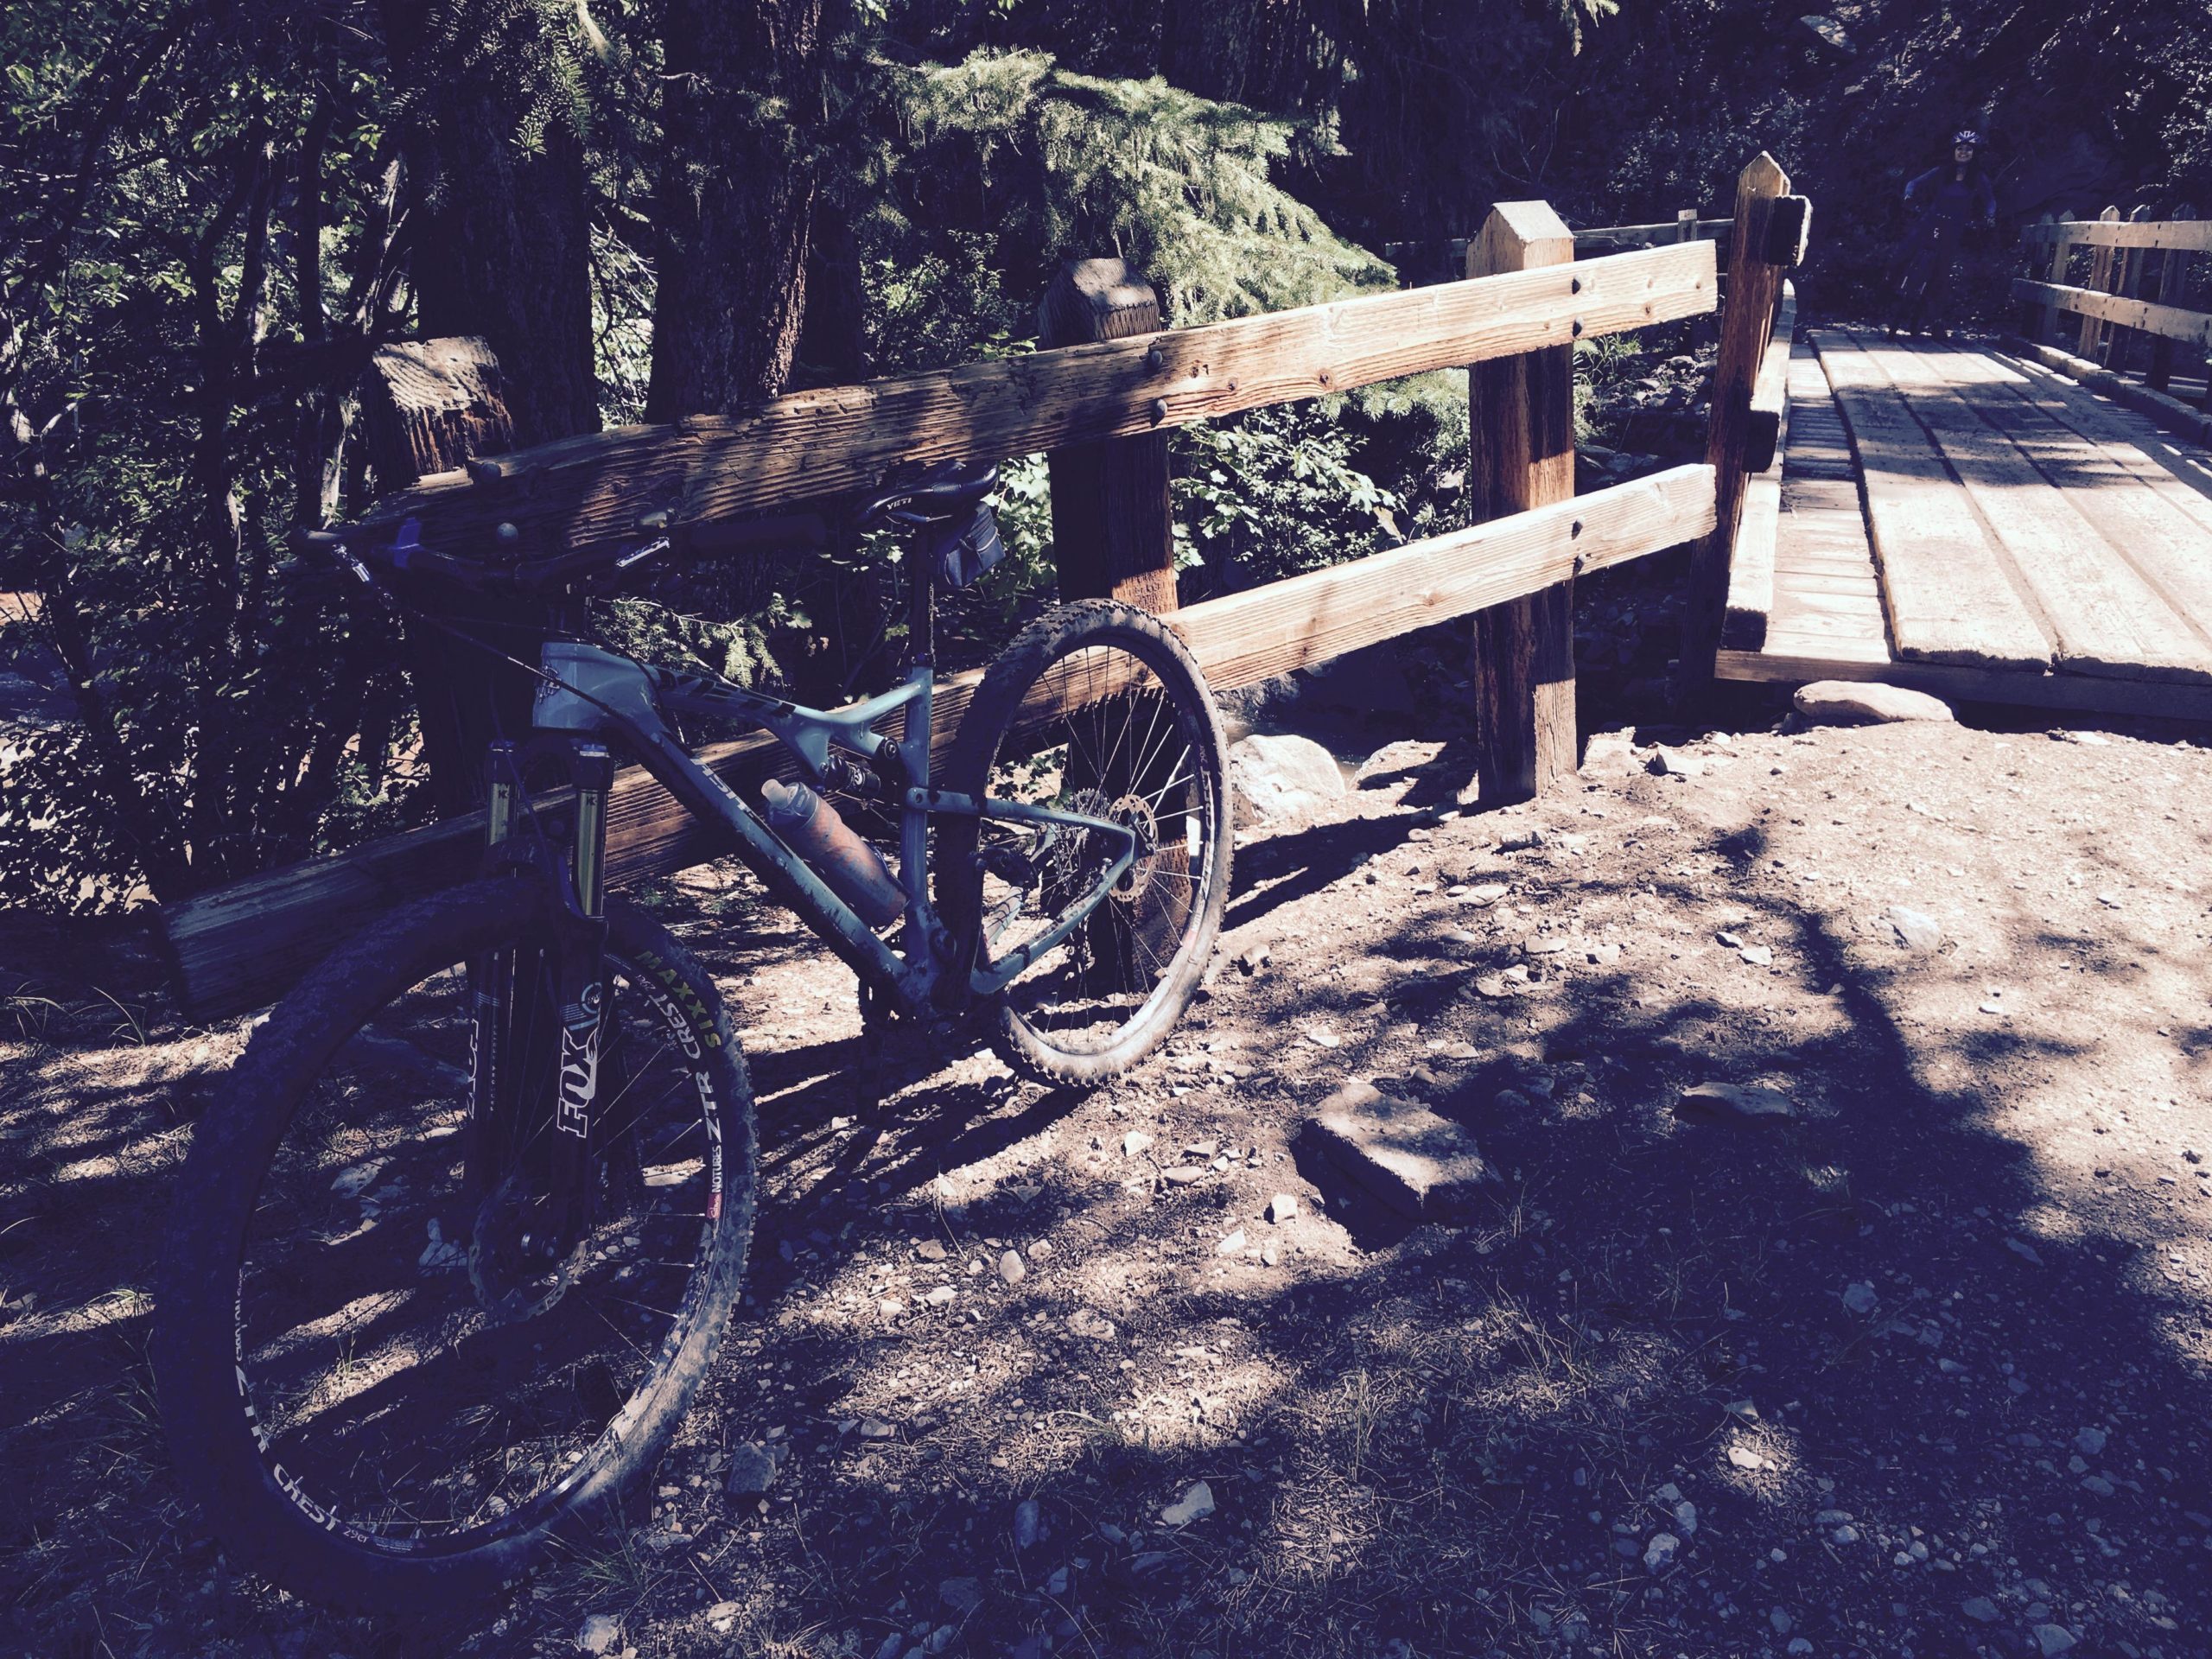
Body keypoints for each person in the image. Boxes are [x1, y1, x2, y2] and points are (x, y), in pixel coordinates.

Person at [1890, 129, 1998, 338]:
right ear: (1953, 151)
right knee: (1902, 255)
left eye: (1968, 150)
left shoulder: (1977, 178)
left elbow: (1990, 200)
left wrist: (1990, 215)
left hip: (1953, 228)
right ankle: (1893, 293)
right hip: (1930, 221)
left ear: (1974, 154)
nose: (1963, 153)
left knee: (1941, 274)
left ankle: (1932, 318)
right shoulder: (1942, 171)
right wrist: (1909, 194)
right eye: (1960, 149)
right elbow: (1914, 183)